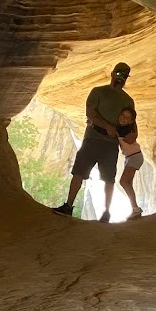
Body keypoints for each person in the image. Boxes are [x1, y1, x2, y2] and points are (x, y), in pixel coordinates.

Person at [52, 62, 135, 221]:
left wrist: (132, 136)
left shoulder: (128, 101)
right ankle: (68, 206)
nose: (121, 78)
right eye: (119, 74)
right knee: (79, 172)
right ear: (112, 73)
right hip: (92, 139)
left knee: (108, 178)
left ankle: (106, 212)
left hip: (111, 144)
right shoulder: (98, 92)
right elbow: (90, 113)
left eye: (124, 76)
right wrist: (107, 126)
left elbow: (132, 122)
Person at [115, 107, 144, 220]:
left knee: (124, 181)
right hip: (130, 157)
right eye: (122, 115)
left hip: (135, 156)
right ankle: (135, 209)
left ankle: (136, 209)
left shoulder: (126, 129)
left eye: (127, 117)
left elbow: (130, 140)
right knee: (128, 183)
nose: (123, 118)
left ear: (131, 121)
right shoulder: (122, 128)